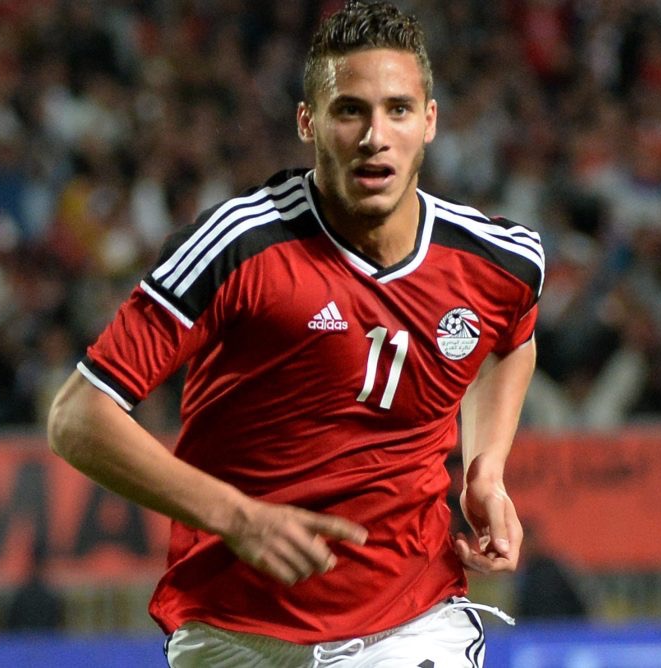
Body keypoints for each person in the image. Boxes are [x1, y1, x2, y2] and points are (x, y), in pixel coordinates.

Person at [47, 1, 544, 666]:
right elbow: (78, 417)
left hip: (414, 623)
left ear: (429, 120)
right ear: (308, 122)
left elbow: (510, 341)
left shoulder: (499, 260)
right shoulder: (238, 247)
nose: (375, 136)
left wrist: (486, 471)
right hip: (237, 632)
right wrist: (236, 517)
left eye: (398, 109)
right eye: (350, 111)